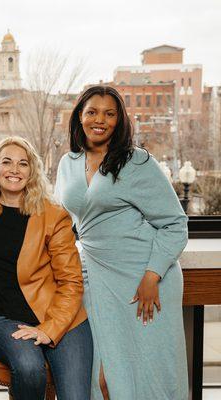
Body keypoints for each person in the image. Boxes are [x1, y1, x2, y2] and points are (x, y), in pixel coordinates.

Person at [55, 85, 189, 399]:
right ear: (80, 116)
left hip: (143, 280)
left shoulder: (137, 162)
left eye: (109, 113)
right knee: (101, 378)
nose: (99, 119)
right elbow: (60, 222)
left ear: (120, 121)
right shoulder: (68, 163)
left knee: (146, 373)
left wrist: (152, 275)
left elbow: (175, 223)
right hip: (94, 279)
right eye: (92, 111)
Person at [0, 136, 92, 400]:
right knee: (29, 368)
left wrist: (48, 329)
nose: (14, 170)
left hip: (62, 318)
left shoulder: (53, 215)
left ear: (32, 171)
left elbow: (71, 282)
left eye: (23, 164)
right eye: (6, 162)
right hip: (1, 319)